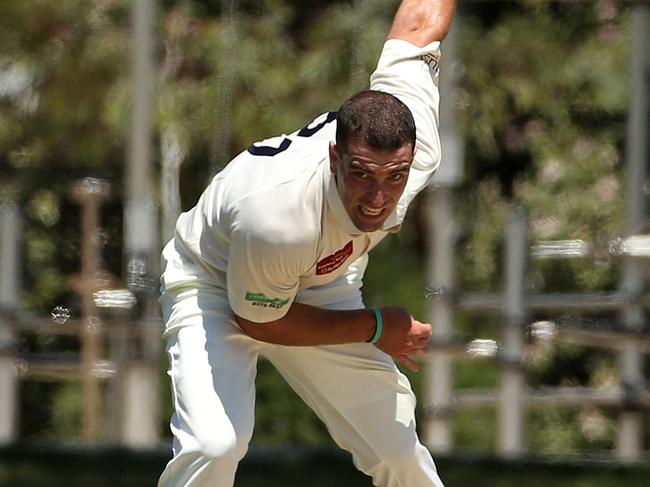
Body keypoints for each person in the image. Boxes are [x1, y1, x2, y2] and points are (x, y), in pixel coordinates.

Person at [158, 1, 456, 486]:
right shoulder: (279, 216)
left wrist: (370, 325)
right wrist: (377, 325)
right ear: (336, 157)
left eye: (394, 176)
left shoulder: (416, 142)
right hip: (214, 281)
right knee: (215, 445)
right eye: (361, 174)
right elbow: (261, 321)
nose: (379, 198)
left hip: (319, 275)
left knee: (397, 449)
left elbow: (419, 26)